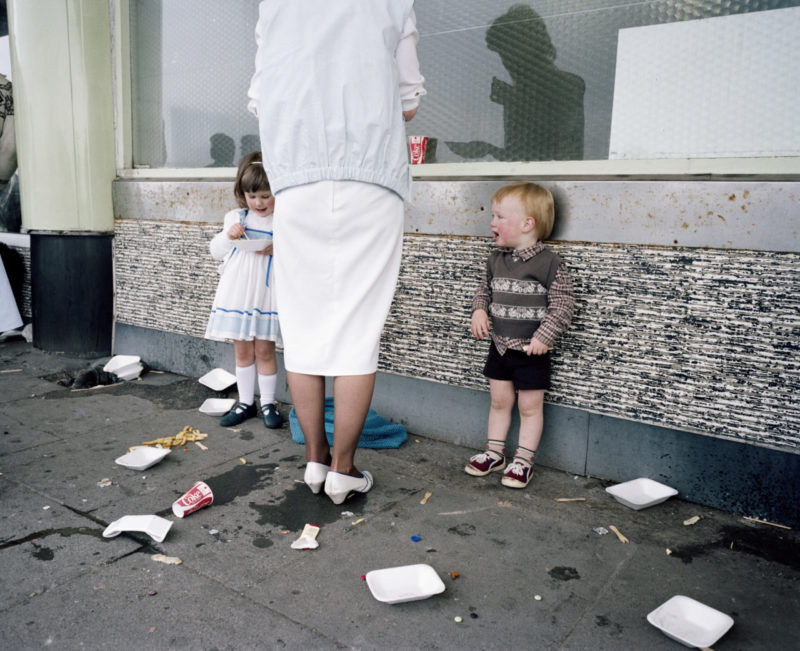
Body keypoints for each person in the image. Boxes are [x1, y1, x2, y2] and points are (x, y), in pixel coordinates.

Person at [248, 1, 425, 504]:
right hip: (371, 178)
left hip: (299, 180)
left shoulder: (275, 6)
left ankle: (314, 461)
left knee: (301, 329)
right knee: (357, 331)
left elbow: (260, 100)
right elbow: (408, 98)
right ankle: (344, 471)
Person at [466, 182, 574, 488]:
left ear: (528, 224)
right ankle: (494, 452)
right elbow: (483, 291)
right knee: (499, 401)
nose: (492, 223)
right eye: (493, 216)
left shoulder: (548, 263)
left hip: (531, 350)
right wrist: (478, 310)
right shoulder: (495, 259)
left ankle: (524, 459)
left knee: (529, 407)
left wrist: (545, 335)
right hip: (499, 346)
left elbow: (564, 304)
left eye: (500, 217)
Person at [205, 151, 283, 430]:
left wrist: (281, 248)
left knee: (264, 349)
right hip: (239, 291)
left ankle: (269, 403)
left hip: (267, 291)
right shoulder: (235, 218)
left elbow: (300, 254)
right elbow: (215, 252)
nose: (259, 203)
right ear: (242, 193)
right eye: (253, 196)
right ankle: (245, 402)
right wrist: (228, 235)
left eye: (265, 195)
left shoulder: (283, 219)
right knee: (242, 351)